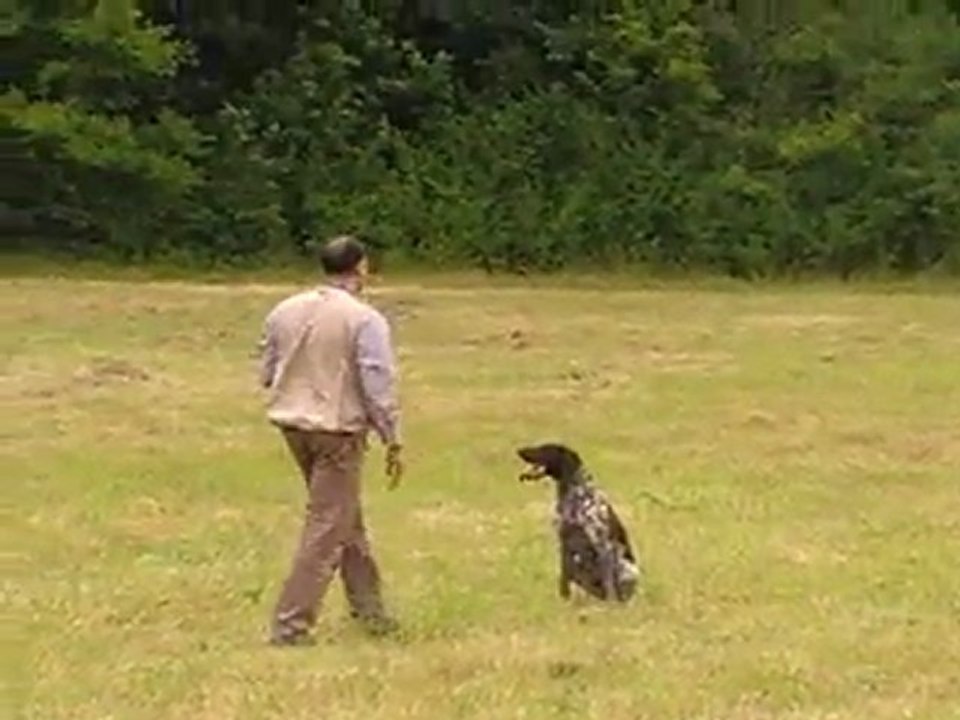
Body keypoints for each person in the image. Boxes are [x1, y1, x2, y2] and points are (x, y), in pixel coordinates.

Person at [258, 235, 403, 646]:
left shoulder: (284, 309)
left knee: (343, 517)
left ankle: (370, 611)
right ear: (360, 267)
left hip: (292, 424)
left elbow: (268, 369)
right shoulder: (364, 319)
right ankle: (291, 625)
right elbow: (378, 381)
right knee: (327, 526)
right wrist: (392, 434)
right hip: (338, 429)